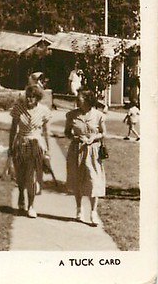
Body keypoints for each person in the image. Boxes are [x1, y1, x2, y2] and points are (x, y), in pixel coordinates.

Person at [8, 85, 52, 218]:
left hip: (36, 145)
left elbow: (46, 132)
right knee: (20, 175)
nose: (29, 99)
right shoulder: (18, 109)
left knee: (32, 177)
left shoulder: (44, 111)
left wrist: (48, 150)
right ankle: (21, 195)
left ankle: (31, 205)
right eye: (28, 97)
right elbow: (13, 129)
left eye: (32, 97)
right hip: (21, 143)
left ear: (37, 98)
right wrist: (11, 147)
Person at [64, 89, 106, 226]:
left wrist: (94, 136)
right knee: (77, 180)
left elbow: (103, 133)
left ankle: (93, 212)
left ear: (88, 100)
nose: (77, 100)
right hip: (76, 150)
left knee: (93, 180)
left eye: (80, 98)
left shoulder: (98, 115)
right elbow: (67, 133)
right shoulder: (71, 115)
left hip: (93, 151)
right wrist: (76, 137)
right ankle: (79, 209)